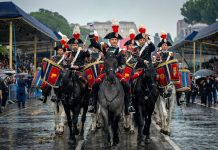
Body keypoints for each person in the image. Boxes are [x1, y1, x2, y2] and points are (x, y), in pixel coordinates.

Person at [88, 20, 134, 113]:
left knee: (127, 86)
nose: (114, 41)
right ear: (109, 40)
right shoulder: (105, 49)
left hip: (117, 73)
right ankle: (93, 105)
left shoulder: (121, 51)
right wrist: (92, 30)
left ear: (117, 41)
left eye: (115, 40)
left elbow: (123, 63)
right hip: (105, 73)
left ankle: (129, 106)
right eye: (112, 39)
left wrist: (120, 67)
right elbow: (93, 43)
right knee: (95, 84)